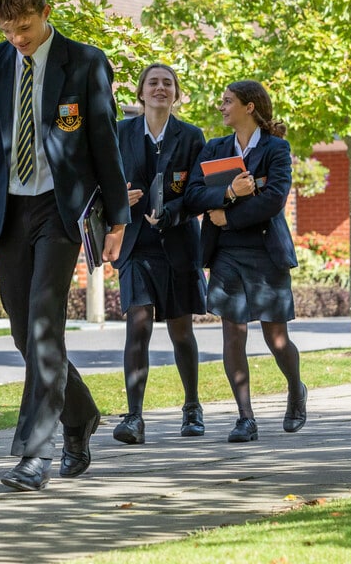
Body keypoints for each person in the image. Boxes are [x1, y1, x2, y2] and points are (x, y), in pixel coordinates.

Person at [0, 0, 131, 492]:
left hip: (61, 209)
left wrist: (118, 217)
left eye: (25, 26)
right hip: (8, 210)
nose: (17, 38)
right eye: (8, 29)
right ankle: (80, 416)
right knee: (21, 328)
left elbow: (105, 143)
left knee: (43, 325)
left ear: (44, 11)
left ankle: (36, 453)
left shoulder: (86, 62)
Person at [182, 79, 306, 443]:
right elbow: (192, 194)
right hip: (225, 255)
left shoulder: (276, 149)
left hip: (266, 254)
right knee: (233, 335)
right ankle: (245, 417)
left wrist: (228, 216)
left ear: (249, 107)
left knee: (276, 337)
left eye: (227, 101)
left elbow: (274, 200)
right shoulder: (215, 148)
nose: (221, 107)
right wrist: (228, 192)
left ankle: (296, 391)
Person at [111, 64, 208, 445]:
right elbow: (102, 182)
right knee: (138, 324)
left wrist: (174, 210)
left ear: (177, 93)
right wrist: (120, 198)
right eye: (153, 83)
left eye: (167, 83)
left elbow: (199, 190)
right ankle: (134, 416)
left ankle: (192, 408)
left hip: (179, 243)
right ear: (141, 92)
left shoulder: (192, 137)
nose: (160, 88)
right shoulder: (120, 133)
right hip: (135, 245)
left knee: (181, 330)